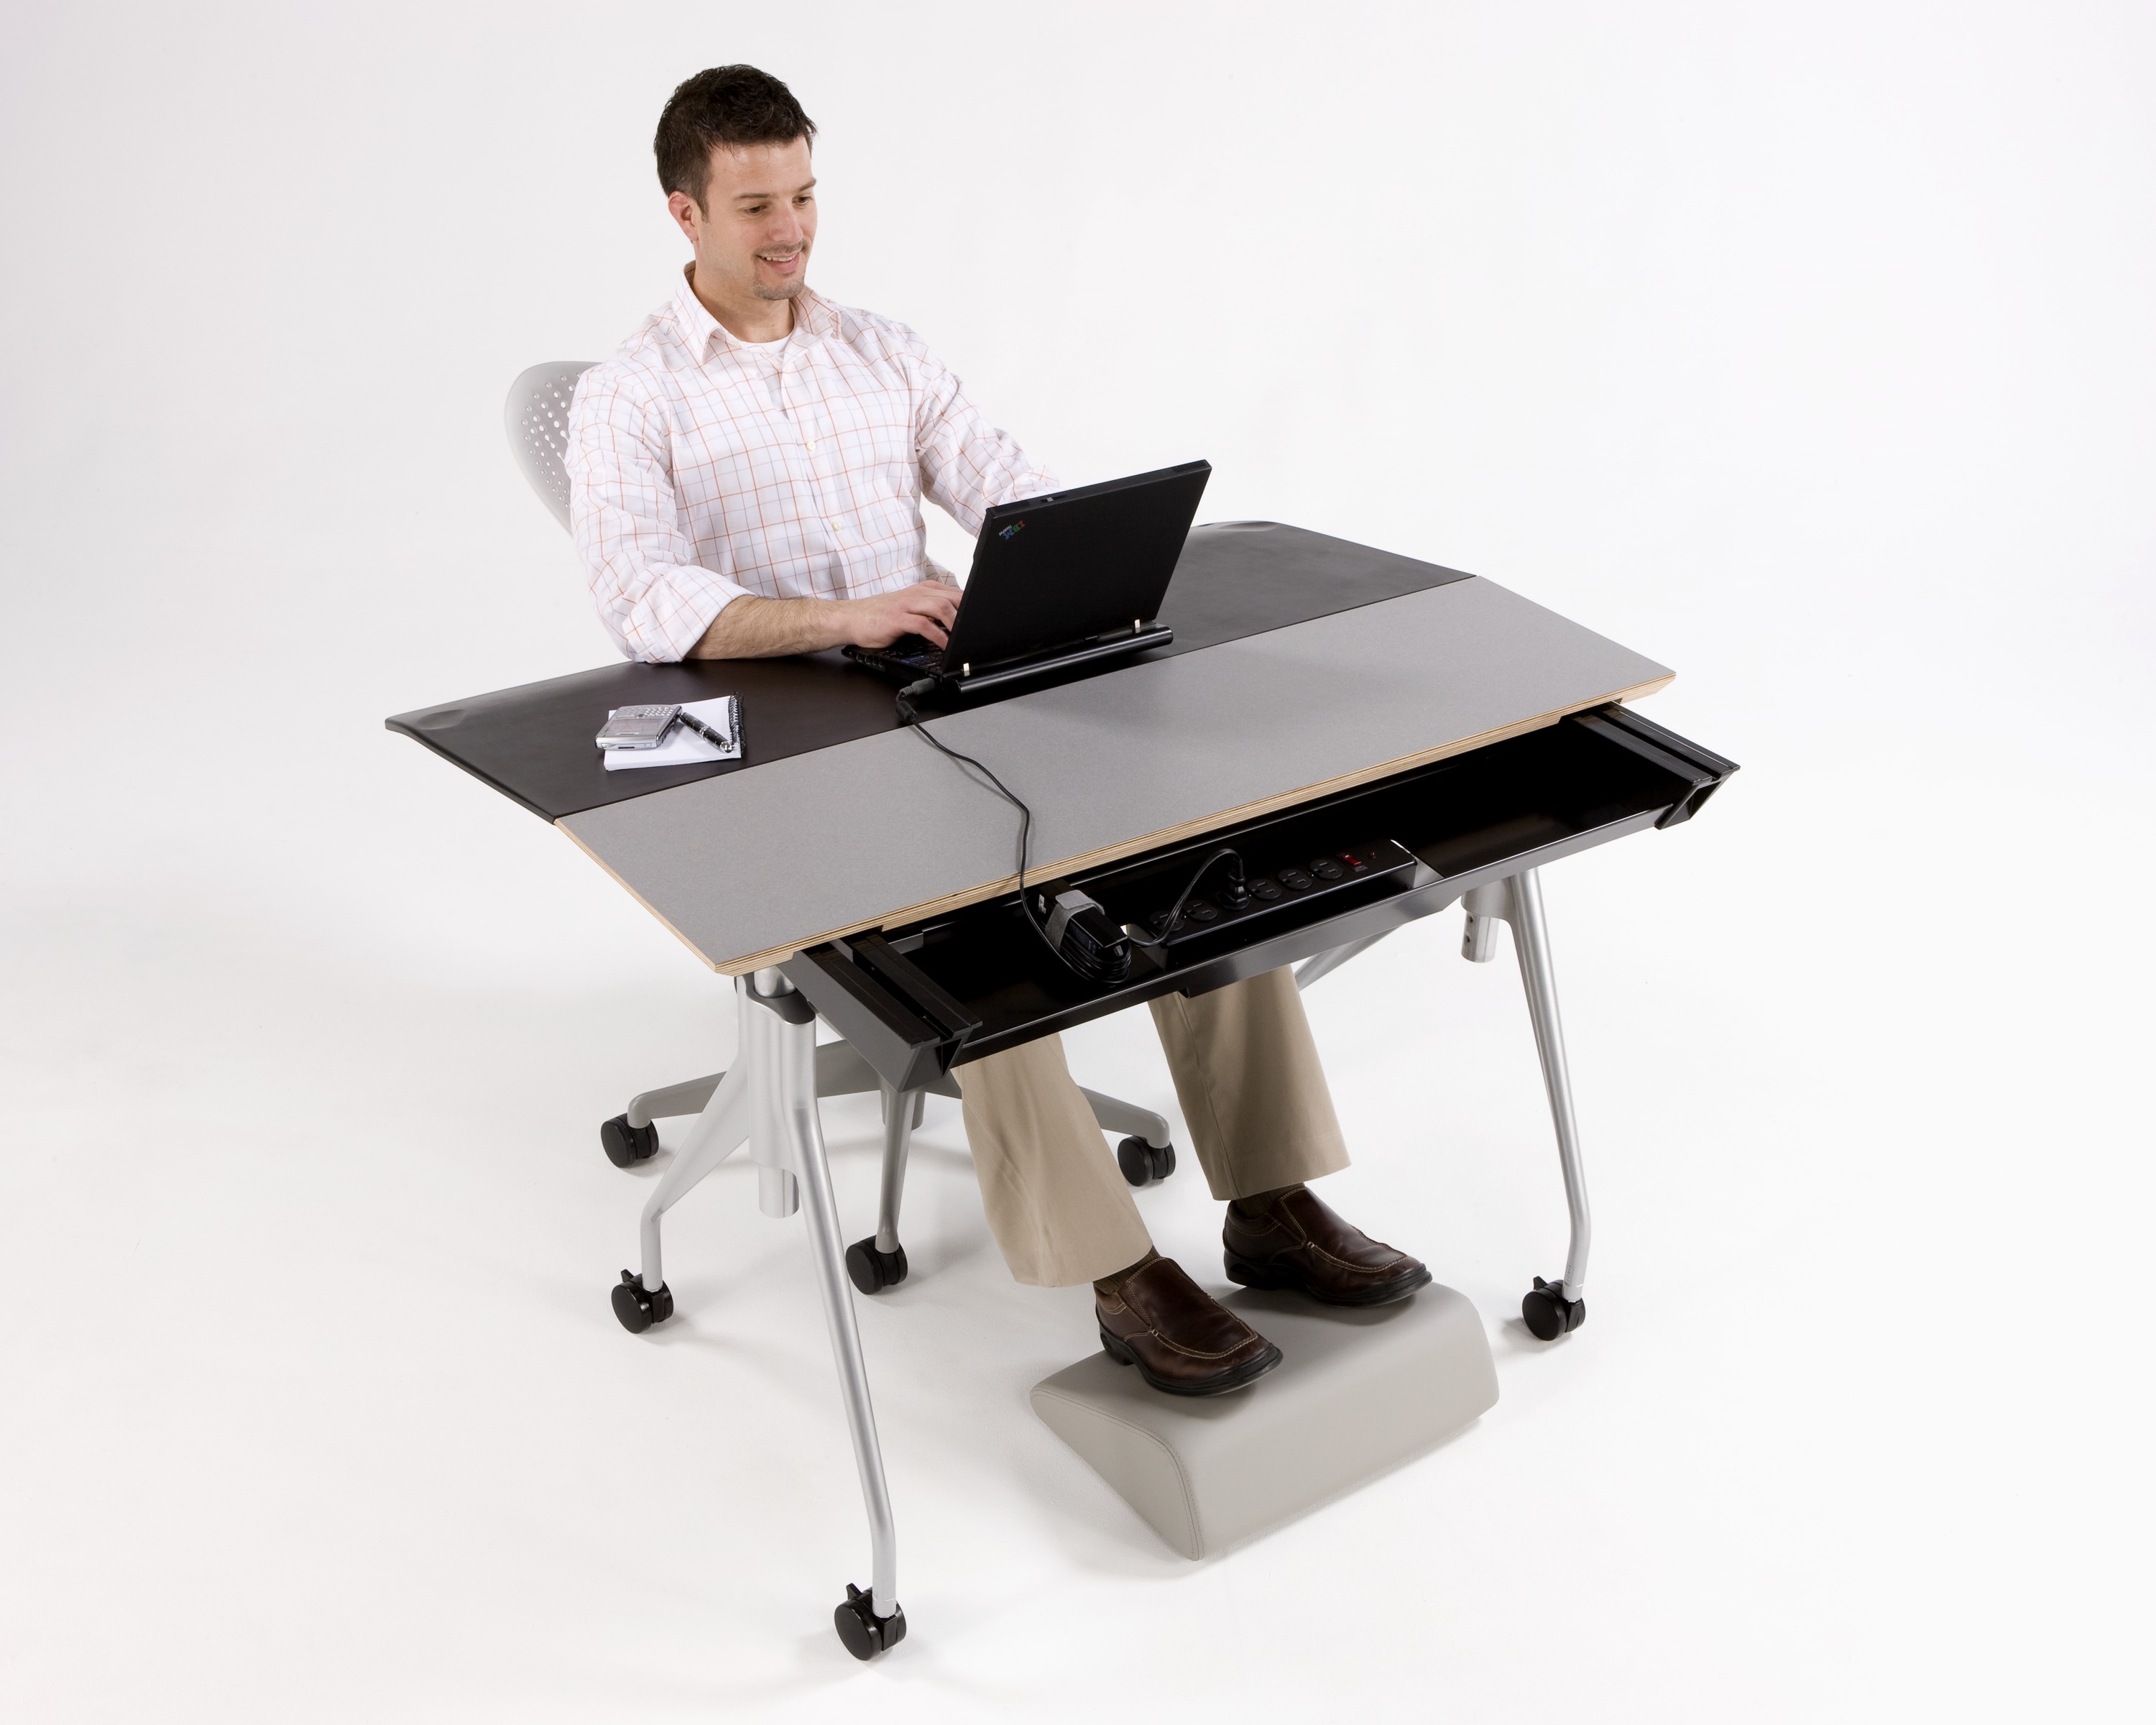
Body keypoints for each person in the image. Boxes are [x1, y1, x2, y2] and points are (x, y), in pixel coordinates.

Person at [567, 65, 1430, 1396]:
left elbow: (1007, 487)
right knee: (984, 936)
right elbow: (641, 598)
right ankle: (1119, 1272)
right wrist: (848, 614)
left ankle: (1271, 1204)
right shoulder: (631, 395)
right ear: (685, 213)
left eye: (805, 196)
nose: (792, 231)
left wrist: (1062, 563)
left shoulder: (880, 349)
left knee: (1196, 861)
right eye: (756, 207)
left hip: (939, 695)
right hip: (791, 748)